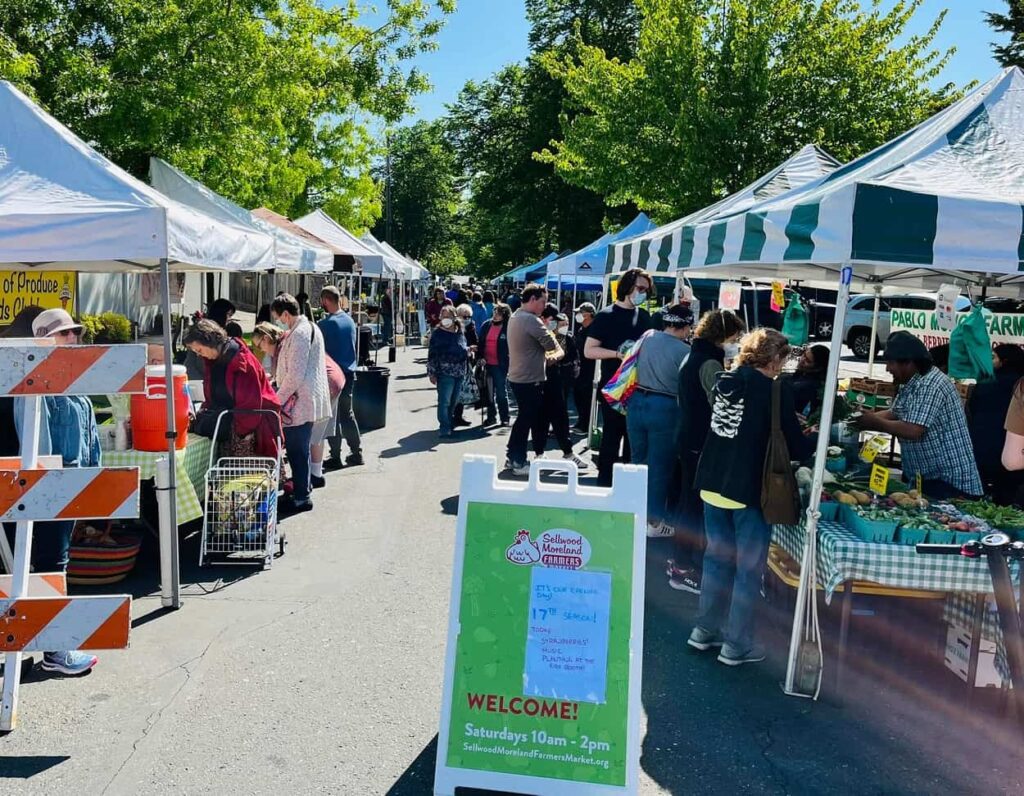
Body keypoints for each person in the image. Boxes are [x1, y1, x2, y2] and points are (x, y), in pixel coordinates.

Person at [688, 329, 814, 666]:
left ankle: (704, 630)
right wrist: (814, 437)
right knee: (747, 569)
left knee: (716, 560)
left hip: (712, 482)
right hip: (748, 488)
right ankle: (736, 644)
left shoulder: (727, 380)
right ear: (774, 359)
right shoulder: (775, 389)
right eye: (783, 359)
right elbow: (795, 444)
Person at [11, 309, 109, 675]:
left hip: (72, 486)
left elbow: (89, 435)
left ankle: (47, 643)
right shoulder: (37, 381)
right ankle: (56, 650)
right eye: (62, 333)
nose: (71, 338)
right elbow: (35, 441)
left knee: (54, 563)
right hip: (50, 491)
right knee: (51, 565)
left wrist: (94, 481)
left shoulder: (73, 377)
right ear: (41, 339)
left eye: (74, 332)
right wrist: (50, 490)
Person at [668, 309, 745, 594]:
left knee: (686, 503)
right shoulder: (709, 362)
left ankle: (679, 563)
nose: (736, 343)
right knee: (692, 506)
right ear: (721, 336)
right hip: (698, 441)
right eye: (735, 337)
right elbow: (720, 404)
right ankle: (682, 567)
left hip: (686, 435)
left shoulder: (693, 354)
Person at [856, 331, 981, 499]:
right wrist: (860, 418)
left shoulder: (932, 384)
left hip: (949, 482)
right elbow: (895, 412)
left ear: (908, 362)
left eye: (890, 363)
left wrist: (874, 423)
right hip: (925, 477)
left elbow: (913, 430)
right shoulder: (911, 382)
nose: (887, 368)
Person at [624, 304, 694, 538]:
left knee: (638, 461)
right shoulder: (685, 351)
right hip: (665, 406)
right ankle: (653, 521)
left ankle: (632, 512)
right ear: (685, 326)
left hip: (636, 401)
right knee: (659, 467)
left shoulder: (647, 337)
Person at [252, 322, 345, 489]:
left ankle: (308, 480)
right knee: (317, 433)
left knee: (308, 435)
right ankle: (315, 475)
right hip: (332, 379)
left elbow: (291, 377)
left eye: (260, 346)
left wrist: (276, 402)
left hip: (324, 383)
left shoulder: (285, 345)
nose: (262, 351)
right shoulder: (288, 339)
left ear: (266, 338)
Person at [584, 268, 654, 486]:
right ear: (627, 286)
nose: (643, 293)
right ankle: (605, 484)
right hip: (613, 389)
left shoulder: (644, 317)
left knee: (634, 441)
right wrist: (616, 354)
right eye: (640, 288)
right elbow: (589, 350)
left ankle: (628, 486)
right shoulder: (606, 316)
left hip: (639, 389)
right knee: (611, 439)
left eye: (646, 290)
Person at [184, 320, 282, 458]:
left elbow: (250, 405)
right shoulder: (213, 360)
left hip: (250, 431)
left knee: (247, 477)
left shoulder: (241, 362)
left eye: (199, 350)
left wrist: (240, 433)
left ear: (209, 340)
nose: (199, 355)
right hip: (230, 426)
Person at [272, 293, 331, 515]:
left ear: (286, 314)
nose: (279, 321)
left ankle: (301, 497)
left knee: (297, 451)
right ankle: (302, 489)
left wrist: (276, 400)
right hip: (307, 399)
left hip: (299, 402)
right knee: (300, 449)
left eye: (279, 317)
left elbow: (295, 375)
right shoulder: (310, 327)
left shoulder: (299, 334)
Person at [505, 284, 563, 474]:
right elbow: (552, 345)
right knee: (526, 420)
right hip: (529, 379)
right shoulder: (531, 320)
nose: (544, 306)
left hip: (517, 376)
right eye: (543, 301)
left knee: (523, 418)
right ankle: (518, 461)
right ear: (532, 300)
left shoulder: (515, 316)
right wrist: (554, 352)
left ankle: (512, 456)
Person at [971, 345, 1024, 504]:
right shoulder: (1016, 384)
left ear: (1005, 361)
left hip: (985, 446)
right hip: (1008, 451)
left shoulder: (1017, 387)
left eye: (993, 357)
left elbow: (972, 407)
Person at [319, 286, 364, 469]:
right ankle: (356, 452)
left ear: (326, 301)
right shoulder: (349, 320)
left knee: (332, 417)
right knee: (347, 414)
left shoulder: (326, 324)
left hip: (332, 375)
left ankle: (335, 455)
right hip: (349, 372)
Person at [534, 305, 582, 465]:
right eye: (554, 320)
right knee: (541, 417)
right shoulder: (540, 333)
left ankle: (567, 452)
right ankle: (539, 453)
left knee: (560, 416)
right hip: (541, 380)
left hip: (559, 380)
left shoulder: (565, 338)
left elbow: (570, 355)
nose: (556, 324)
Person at [427, 305, 469, 437]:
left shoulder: (460, 332)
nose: (445, 319)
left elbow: (462, 349)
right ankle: (444, 427)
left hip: (459, 372)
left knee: (454, 401)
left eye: (448, 317)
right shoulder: (437, 334)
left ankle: (449, 421)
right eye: (443, 316)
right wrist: (431, 373)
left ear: (454, 317)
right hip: (444, 372)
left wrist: (469, 351)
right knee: (444, 401)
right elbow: (432, 354)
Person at [479, 303, 512, 426]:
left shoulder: (508, 327)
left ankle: (505, 417)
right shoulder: (486, 325)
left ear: (504, 315)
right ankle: (491, 416)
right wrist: (480, 357)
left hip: (501, 365)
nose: (495, 315)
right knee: (489, 392)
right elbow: (481, 343)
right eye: (494, 312)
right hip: (487, 363)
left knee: (501, 393)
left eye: (498, 313)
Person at [452, 304, 479, 427]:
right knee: (453, 391)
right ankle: (450, 417)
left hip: (466, 363)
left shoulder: (471, 326)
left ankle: (458, 416)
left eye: (469, 316)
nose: (467, 318)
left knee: (462, 391)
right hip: (453, 363)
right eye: (465, 316)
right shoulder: (452, 328)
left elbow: (475, 341)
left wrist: (474, 354)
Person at [572, 302, 597, 433]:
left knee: (586, 397)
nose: (578, 315)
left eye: (580, 313)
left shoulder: (595, 330)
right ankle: (581, 421)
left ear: (588, 314)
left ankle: (585, 424)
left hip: (590, 368)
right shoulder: (581, 329)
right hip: (579, 367)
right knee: (578, 395)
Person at [788, 344, 830, 416]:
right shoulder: (803, 373)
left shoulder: (810, 385)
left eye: (807, 361)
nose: (802, 360)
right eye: (804, 355)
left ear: (817, 368)